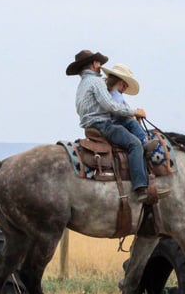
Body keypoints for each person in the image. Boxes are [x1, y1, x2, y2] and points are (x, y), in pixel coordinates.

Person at [66, 50, 168, 202]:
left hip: (92, 125)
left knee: (129, 125)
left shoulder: (82, 84)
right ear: (94, 64)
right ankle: (141, 188)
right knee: (134, 144)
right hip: (102, 125)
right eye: (99, 63)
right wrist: (135, 111)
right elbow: (110, 106)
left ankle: (144, 147)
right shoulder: (96, 82)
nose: (100, 66)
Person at [102, 63, 159, 156]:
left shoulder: (108, 94)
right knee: (132, 123)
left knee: (133, 123)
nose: (125, 88)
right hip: (116, 123)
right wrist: (134, 114)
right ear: (120, 82)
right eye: (125, 85)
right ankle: (144, 141)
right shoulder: (116, 95)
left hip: (112, 122)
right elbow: (120, 110)